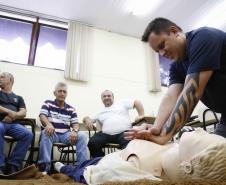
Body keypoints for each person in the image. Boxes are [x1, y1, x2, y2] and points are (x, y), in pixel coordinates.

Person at [125, 17, 226, 144]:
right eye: (157, 51)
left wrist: (165, 136)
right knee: (215, 156)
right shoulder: (176, 67)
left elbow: (192, 92)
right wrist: (156, 128)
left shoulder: (203, 38)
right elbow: (171, 97)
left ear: (174, 31)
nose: (162, 53)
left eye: (162, 45)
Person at [54, 128, 226, 184]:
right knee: (88, 161)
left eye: (202, 137)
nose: (200, 130)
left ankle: (62, 167)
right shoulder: (177, 152)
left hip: (105, 164)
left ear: (188, 166)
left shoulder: (151, 174)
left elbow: (106, 175)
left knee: (80, 170)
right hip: (115, 155)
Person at [37, 82, 88, 174]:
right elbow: (42, 116)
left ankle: (81, 168)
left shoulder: (71, 109)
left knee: (82, 136)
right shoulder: (48, 103)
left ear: (66, 94)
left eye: (64, 92)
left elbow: (75, 124)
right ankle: (44, 168)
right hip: (52, 133)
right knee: (45, 132)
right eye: (59, 91)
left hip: (66, 135)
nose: (62, 93)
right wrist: (48, 124)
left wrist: (75, 131)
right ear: (54, 93)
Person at [83, 90, 145, 157]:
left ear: (113, 97)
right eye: (104, 96)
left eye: (109, 96)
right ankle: (100, 162)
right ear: (102, 99)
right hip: (106, 135)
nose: (106, 97)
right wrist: (87, 120)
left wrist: (141, 115)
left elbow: (137, 102)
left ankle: (125, 162)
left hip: (123, 133)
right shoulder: (100, 112)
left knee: (128, 143)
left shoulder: (121, 103)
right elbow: (86, 118)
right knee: (92, 142)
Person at [0, 72, 33, 175]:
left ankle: (13, 165)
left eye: (2, 77)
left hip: (13, 124)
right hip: (0, 122)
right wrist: (10, 112)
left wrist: (13, 116)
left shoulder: (18, 98)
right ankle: (0, 165)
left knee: (28, 134)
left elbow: (23, 112)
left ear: (9, 80)